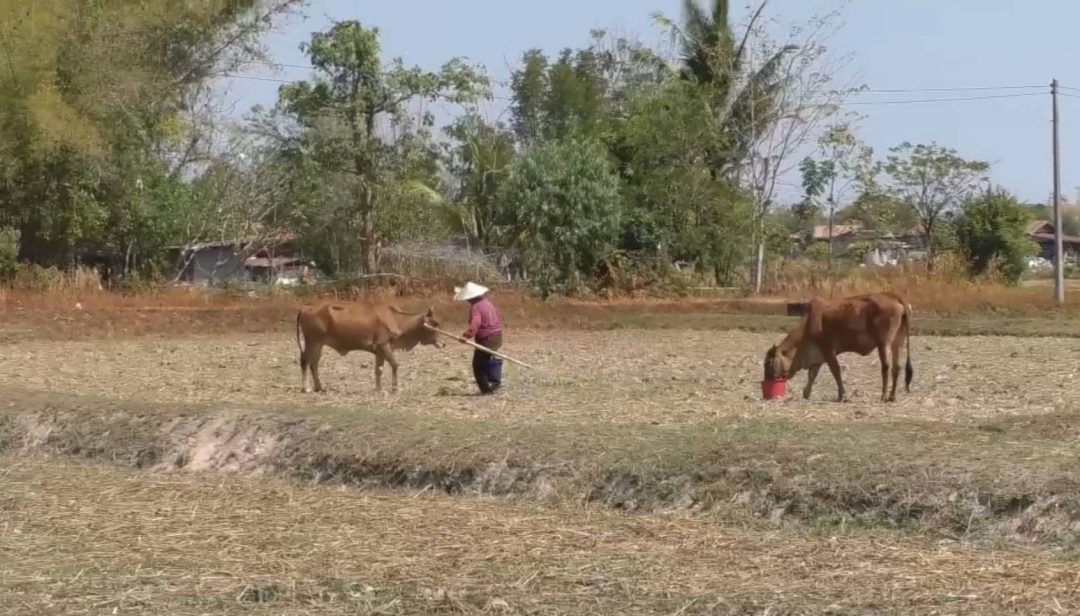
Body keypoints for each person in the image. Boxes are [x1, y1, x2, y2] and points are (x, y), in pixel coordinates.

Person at [454, 281, 504, 394]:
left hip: (487, 339)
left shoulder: (476, 307)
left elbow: (475, 323)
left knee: (478, 365)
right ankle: (494, 383)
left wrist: (467, 335)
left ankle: (486, 390)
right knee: (488, 360)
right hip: (497, 337)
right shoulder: (487, 303)